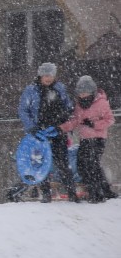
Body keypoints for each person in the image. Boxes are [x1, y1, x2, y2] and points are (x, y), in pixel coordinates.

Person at [18, 62, 77, 203]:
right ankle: (46, 194)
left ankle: (71, 193)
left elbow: (68, 107)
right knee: (40, 163)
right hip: (38, 134)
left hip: (57, 132)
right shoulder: (31, 90)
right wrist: (32, 127)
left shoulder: (60, 88)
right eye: (45, 75)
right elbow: (23, 110)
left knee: (62, 163)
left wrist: (60, 125)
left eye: (50, 75)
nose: (48, 78)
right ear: (40, 75)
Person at [60, 75, 116, 203]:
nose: (82, 95)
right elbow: (75, 121)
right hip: (85, 139)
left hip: (97, 139)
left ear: (92, 92)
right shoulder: (79, 105)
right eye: (80, 93)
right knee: (83, 165)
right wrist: (62, 128)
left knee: (91, 165)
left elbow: (110, 120)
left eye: (85, 92)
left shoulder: (101, 103)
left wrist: (94, 125)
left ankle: (96, 193)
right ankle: (104, 190)